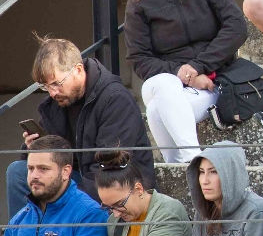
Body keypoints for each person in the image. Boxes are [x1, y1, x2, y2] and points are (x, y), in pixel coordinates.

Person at [124, 0, 247, 164]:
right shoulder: (139, 3)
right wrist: (183, 74)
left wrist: (199, 67)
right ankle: (193, 159)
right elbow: (139, 58)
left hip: (212, 82)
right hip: (170, 81)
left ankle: (177, 165)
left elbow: (236, 26)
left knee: (157, 109)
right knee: (163, 85)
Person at [4, 38, 152, 226]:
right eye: (45, 86)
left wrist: (63, 206)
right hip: (75, 178)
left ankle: (52, 229)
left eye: (56, 83)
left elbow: (109, 165)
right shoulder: (56, 104)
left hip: (116, 184)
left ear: (79, 70)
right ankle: (24, 235)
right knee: (18, 172)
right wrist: (35, 149)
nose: (52, 92)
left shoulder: (115, 99)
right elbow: (52, 159)